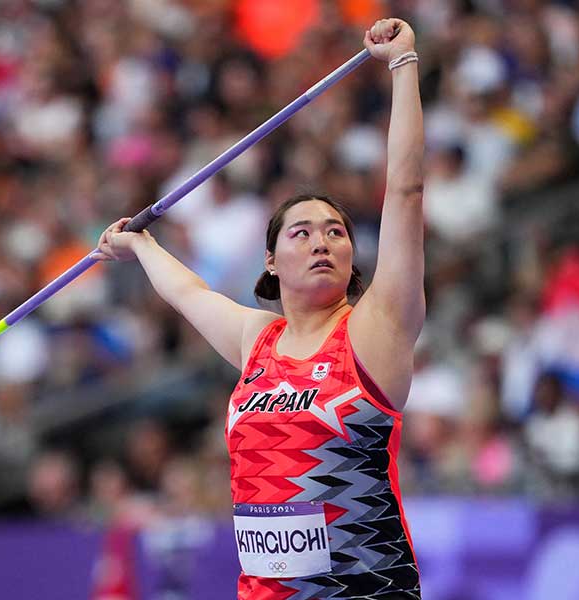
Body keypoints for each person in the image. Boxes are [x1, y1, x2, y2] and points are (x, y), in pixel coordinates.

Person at [95, 18, 423, 599]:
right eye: (302, 233)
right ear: (270, 261)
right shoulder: (258, 341)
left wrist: (402, 66)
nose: (321, 241)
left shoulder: (376, 330)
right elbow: (191, 294)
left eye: (335, 232)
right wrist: (140, 244)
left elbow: (404, 193)